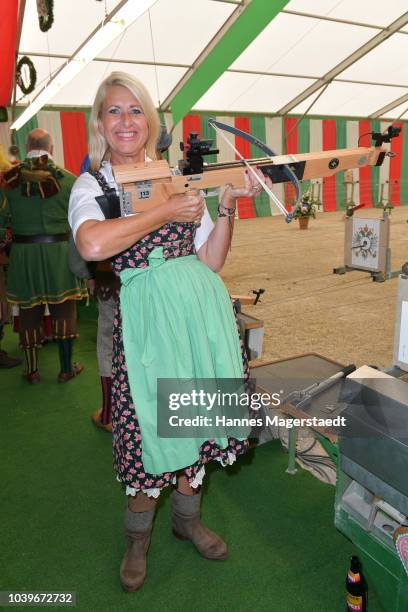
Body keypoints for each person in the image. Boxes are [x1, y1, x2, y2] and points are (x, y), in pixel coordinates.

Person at [68, 71, 268, 592]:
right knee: (153, 436)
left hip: (200, 316)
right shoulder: (95, 184)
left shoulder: (176, 177)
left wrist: (225, 207)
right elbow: (91, 245)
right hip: (148, 326)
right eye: (114, 110)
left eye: (135, 110)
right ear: (100, 123)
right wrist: (163, 210)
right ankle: (138, 540)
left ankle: (188, 520)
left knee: (195, 423)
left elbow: (212, 259)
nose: (126, 120)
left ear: (150, 120)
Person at [0, 128, 88, 383]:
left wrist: (8, 246)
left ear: (26, 147)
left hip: (23, 255)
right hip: (59, 255)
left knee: (28, 312)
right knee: (64, 311)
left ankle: (31, 371)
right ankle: (65, 369)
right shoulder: (70, 180)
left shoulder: (8, 180)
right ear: (51, 150)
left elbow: (1, 221)